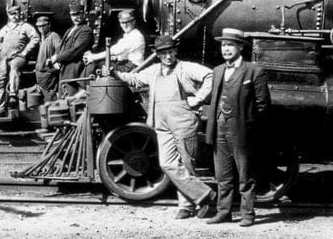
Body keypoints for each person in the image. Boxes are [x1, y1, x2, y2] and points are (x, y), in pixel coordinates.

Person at [114, 35, 216, 219]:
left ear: (175, 51)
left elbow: (211, 75)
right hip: (162, 125)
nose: (168, 56)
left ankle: (186, 206)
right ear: (158, 55)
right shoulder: (154, 71)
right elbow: (135, 79)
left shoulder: (186, 68)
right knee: (168, 164)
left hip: (184, 121)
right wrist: (115, 73)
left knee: (186, 164)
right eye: (164, 54)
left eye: (170, 52)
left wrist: (199, 98)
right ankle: (205, 195)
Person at [204, 28, 270, 227]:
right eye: (223, 45)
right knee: (222, 175)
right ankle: (224, 212)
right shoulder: (217, 71)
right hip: (219, 128)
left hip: (242, 130)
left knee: (245, 174)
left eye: (230, 45)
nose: (226, 49)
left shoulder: (253, 70)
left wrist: (250, 127)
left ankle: (248, 214)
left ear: (240, 47)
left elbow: (263, 105)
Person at [0, 7, 40, 119]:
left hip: (18, 57)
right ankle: (0, 109)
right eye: (11, 14)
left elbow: (35, 38)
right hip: (4, 58)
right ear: (9, 15)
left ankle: (13, 95)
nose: (13, 16)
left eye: (15, 13)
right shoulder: (6, 28)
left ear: (20, 14)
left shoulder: (25, 27)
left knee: (14, 67)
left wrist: (25, 51)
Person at [48, 1, 93, 97]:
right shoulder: (70, 30)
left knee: (72, 98)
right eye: (73, 15)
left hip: (75, 69)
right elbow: (61, 46)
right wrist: (56, 59)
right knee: (64, 96)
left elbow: (76, 50)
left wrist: (57, 58)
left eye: (78, 14)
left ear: (84, 14)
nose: (75, 17)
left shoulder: (86, 30)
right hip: (65, 68)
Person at [33, 15, 62, 103]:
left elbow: (59, 49)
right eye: (38, 26)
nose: (41, 28)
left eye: (43, 26)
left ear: (49, 25)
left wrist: (54, 61)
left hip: (48, 73)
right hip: (40, 74)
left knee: (50, 98)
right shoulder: (42, 37)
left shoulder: (53, 36)